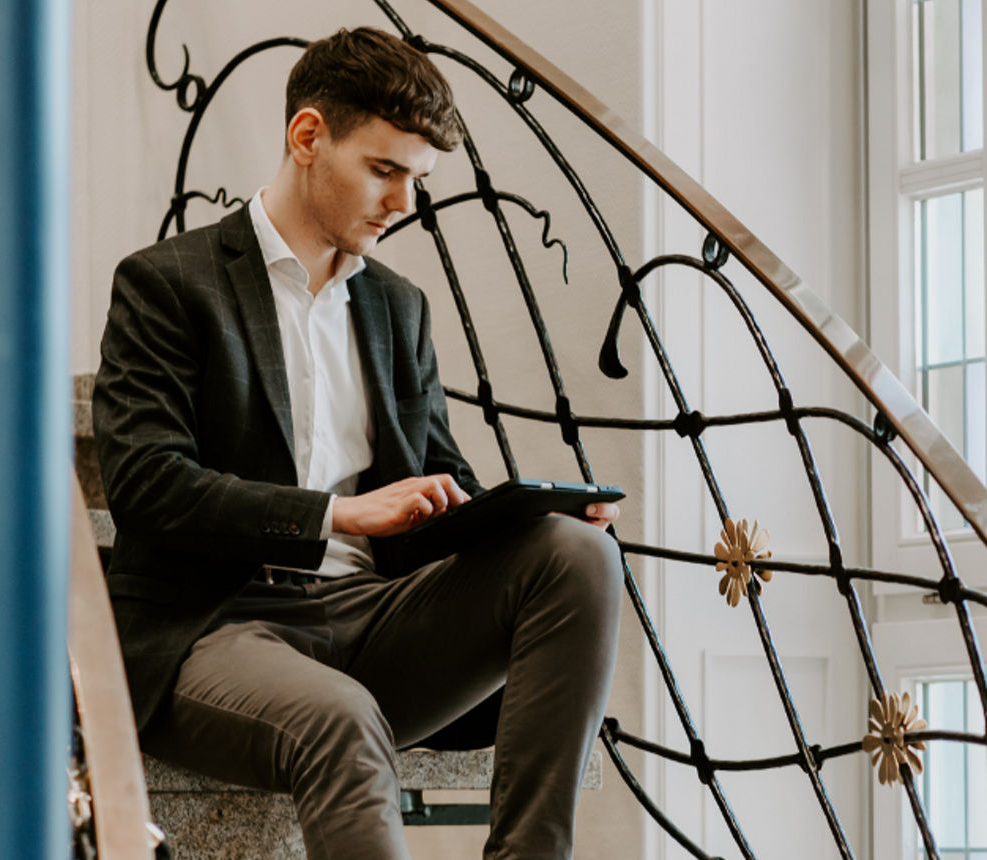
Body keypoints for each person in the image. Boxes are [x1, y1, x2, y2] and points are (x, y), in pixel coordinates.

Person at [93, 25, 623, 860]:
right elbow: (148, 485)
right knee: (340, 719)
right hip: (212, 628)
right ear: (308, 137)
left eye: (417, 178)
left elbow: (436, 485)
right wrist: (334, 516)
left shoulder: (397, 308)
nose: (404, 203)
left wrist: (514, 520)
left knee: (578, 557)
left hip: (371, 620)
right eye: (384, 170)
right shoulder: (168, 284)